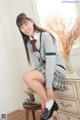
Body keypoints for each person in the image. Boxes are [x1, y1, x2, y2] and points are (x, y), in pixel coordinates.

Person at [16, 13, 67, 120]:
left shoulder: (45, 36)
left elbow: (50, 62)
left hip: (56, 68)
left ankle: (51, 103)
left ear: (32, 22)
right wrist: (42, 86)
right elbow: (38, 66)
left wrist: (48, 88)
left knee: (27, 76)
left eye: (26, 23)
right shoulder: (29, 44)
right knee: (44, 110)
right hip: (45, 71)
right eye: (21, 27)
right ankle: (49, 104)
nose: (25, 28)